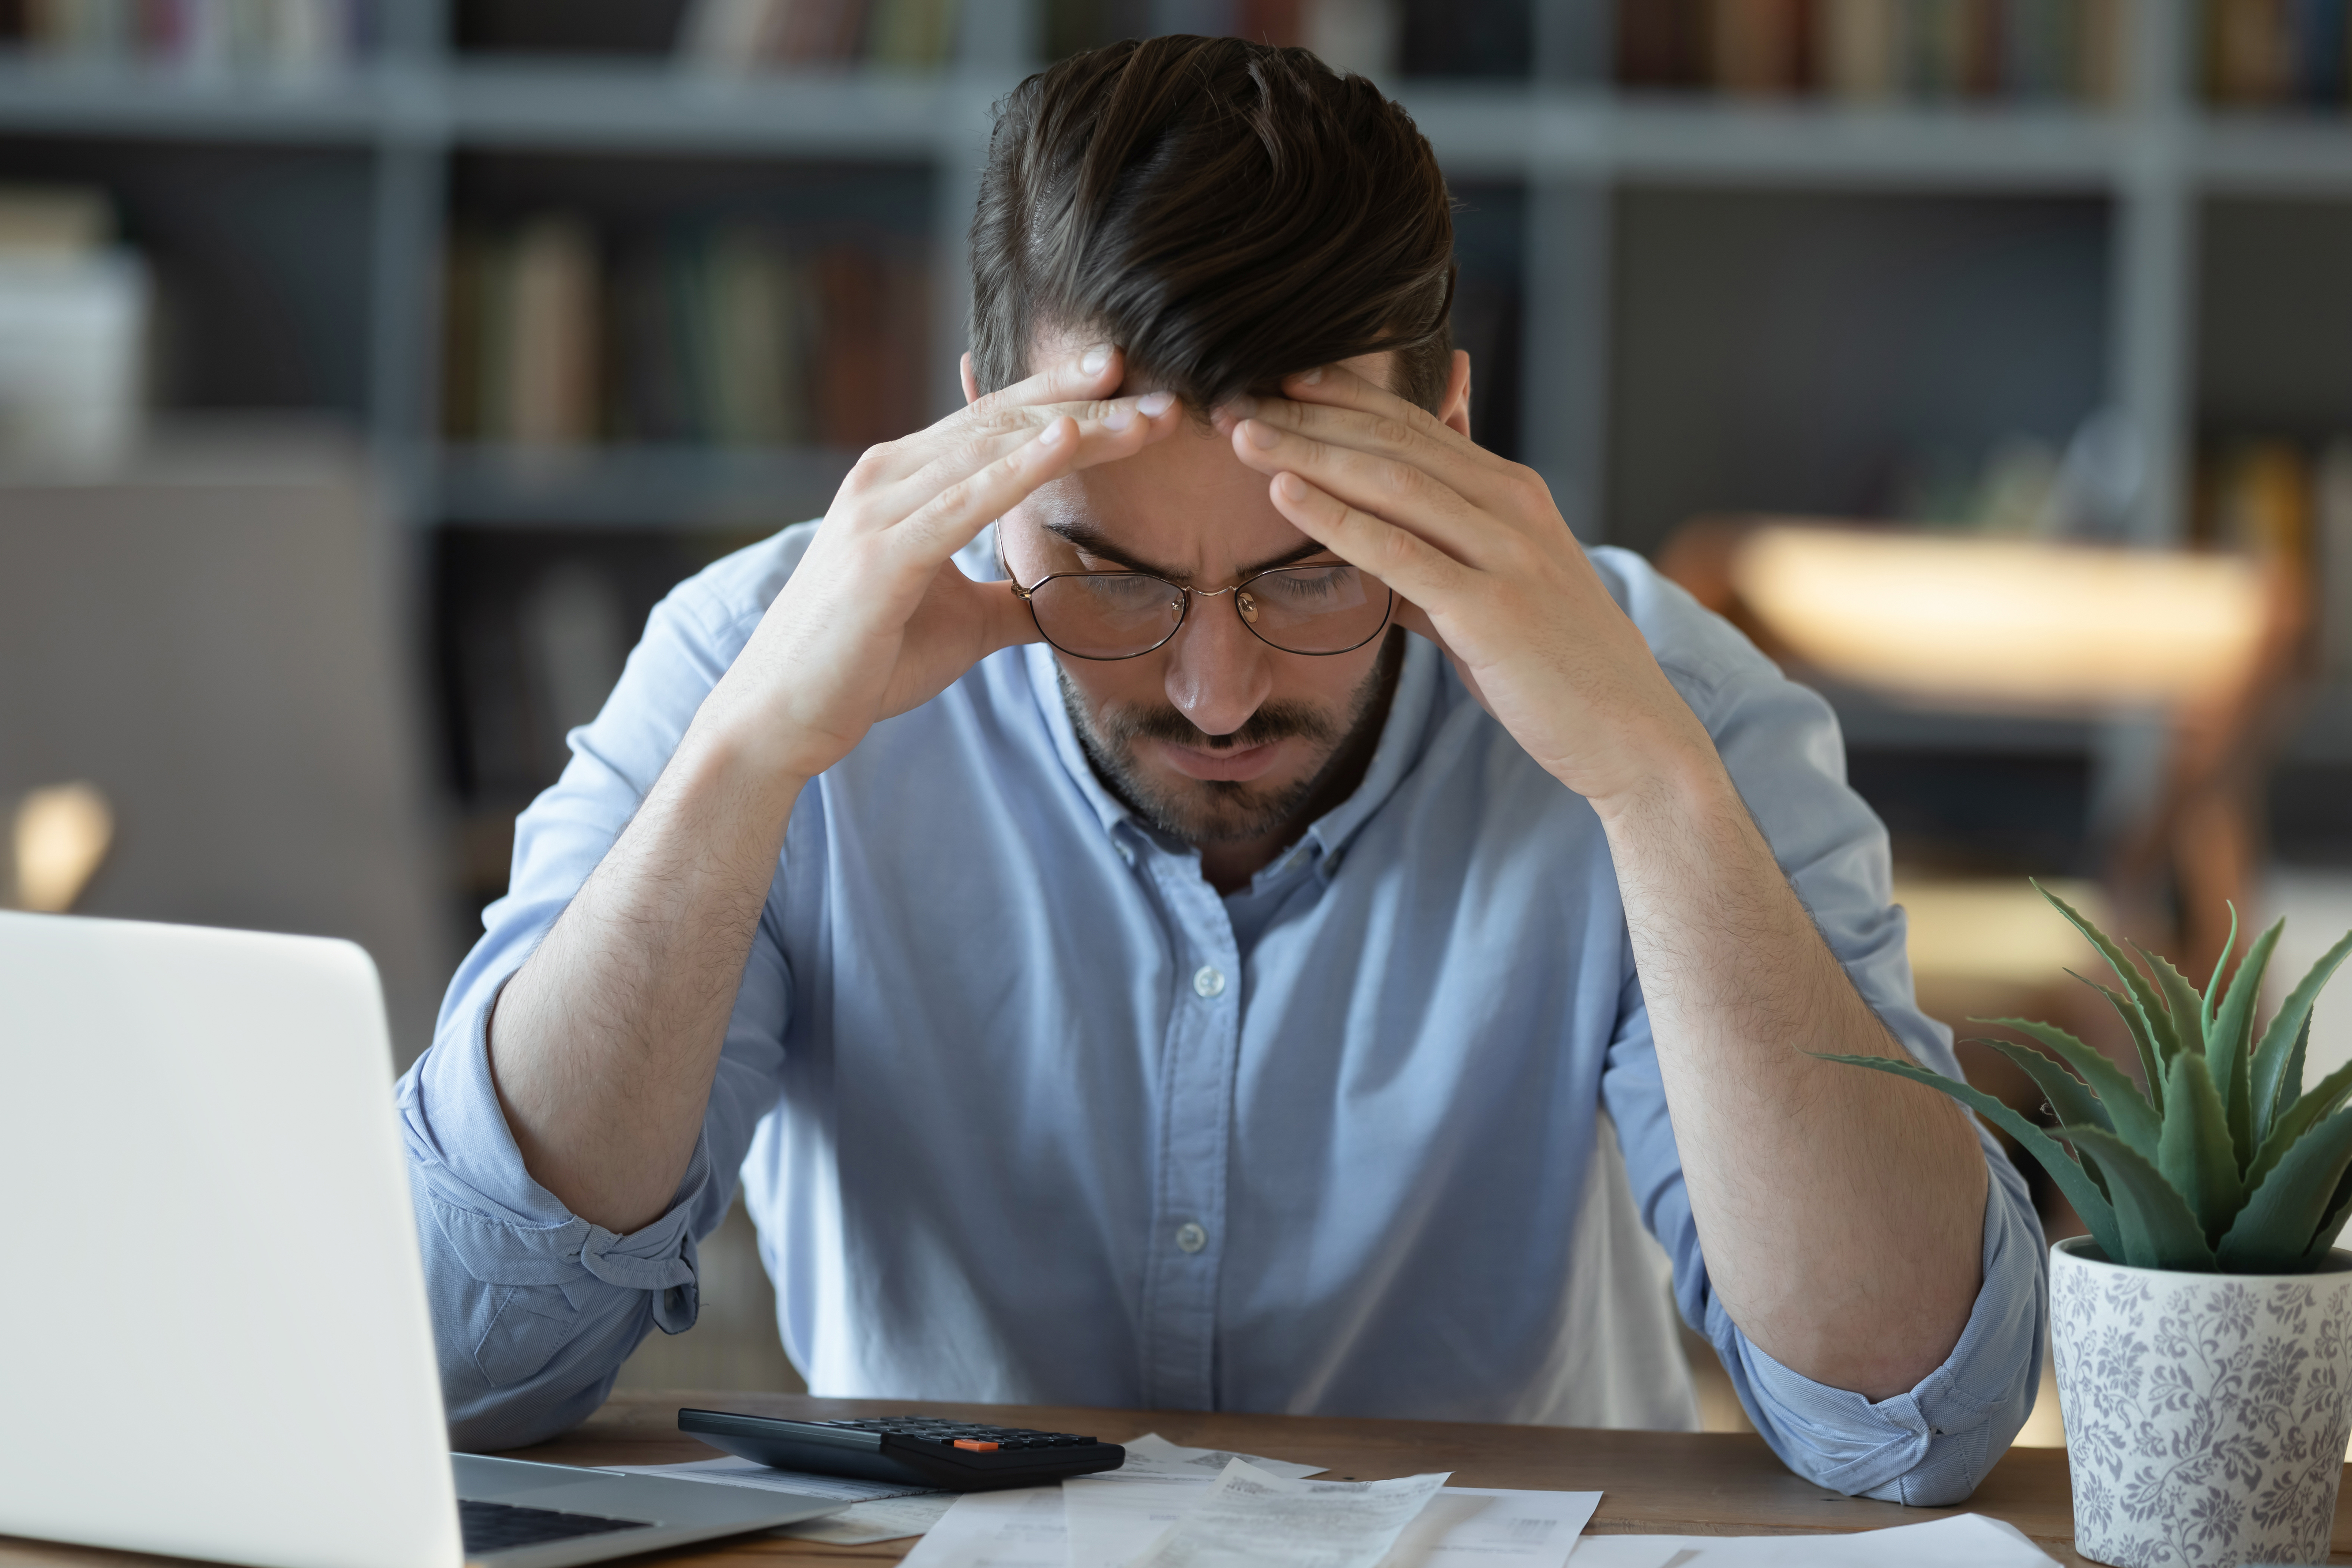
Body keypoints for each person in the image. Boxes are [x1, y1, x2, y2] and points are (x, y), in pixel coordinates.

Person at [398, 35, 2044, 1503]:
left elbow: (1903, 1418)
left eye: (1311, 565)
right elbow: (461, 1359)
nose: (1213, 690)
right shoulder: (756, 662)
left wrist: (1652, 792)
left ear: (1449, 439)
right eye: (1106, 572)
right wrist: (747, 767)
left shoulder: (1666, 699)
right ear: (982, 438)